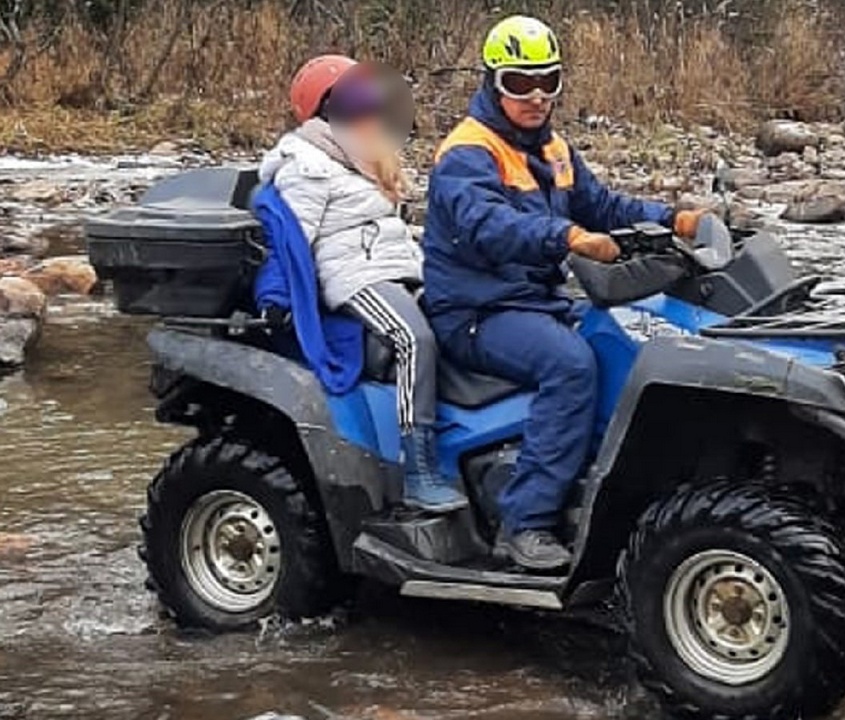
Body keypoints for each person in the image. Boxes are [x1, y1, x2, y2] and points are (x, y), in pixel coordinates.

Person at [424, 16, 706, 571]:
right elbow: (488, 225)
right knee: (571, 365)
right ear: (491, 82)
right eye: (519, 83)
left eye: (547, 81)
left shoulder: (553, 148)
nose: (535, 97)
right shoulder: (466, 153)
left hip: (535, 300)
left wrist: (674, 219)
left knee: (625, 338)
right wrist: (567, 237)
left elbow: (603, 207)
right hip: (477, 309)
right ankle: (524, 522)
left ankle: (603, 491)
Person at [260, 56, 467, 513]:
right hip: (354, 277)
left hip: (395, 268)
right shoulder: (307, 164)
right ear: (324, 109)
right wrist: (273, 295)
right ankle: (418, 470)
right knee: (414, 339)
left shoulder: (361, 157)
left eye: (370, 94)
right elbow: (288, 238)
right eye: (355, 97)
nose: (369, 106)